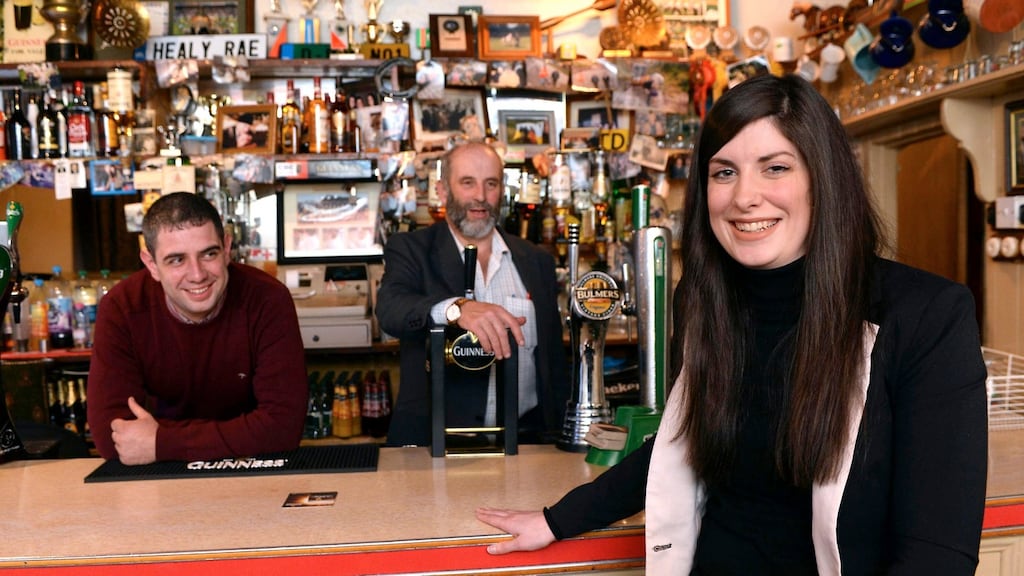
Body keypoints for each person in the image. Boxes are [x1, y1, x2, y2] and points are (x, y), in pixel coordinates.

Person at [475, 74, 988, 574]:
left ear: (823, 178)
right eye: (724, 173)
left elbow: (938, 554)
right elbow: (682, 442)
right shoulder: (704, 302)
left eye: (775, 168)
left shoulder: (924, 315)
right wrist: (557, 519)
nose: (745, 197)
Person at [87, 192, 308, 465]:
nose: (197, 274)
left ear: (227, 248)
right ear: (151, 264)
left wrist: (161, 441)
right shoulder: (121, 308)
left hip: (250, 474)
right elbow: (114, 437)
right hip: (158, 483)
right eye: (177, 260)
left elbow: (283, 428)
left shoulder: (267, 299)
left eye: (209, 254)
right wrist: (243, 432)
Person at [376, 141, 569, 447]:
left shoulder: (536, 260)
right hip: (436, 446)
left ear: (502, 190)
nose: (480, 196)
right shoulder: (411, 249)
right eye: (467, 183)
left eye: (490, 184)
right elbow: (390, 309)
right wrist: (456, 309)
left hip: (526, 444)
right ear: (442, 191)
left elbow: (553, 364)